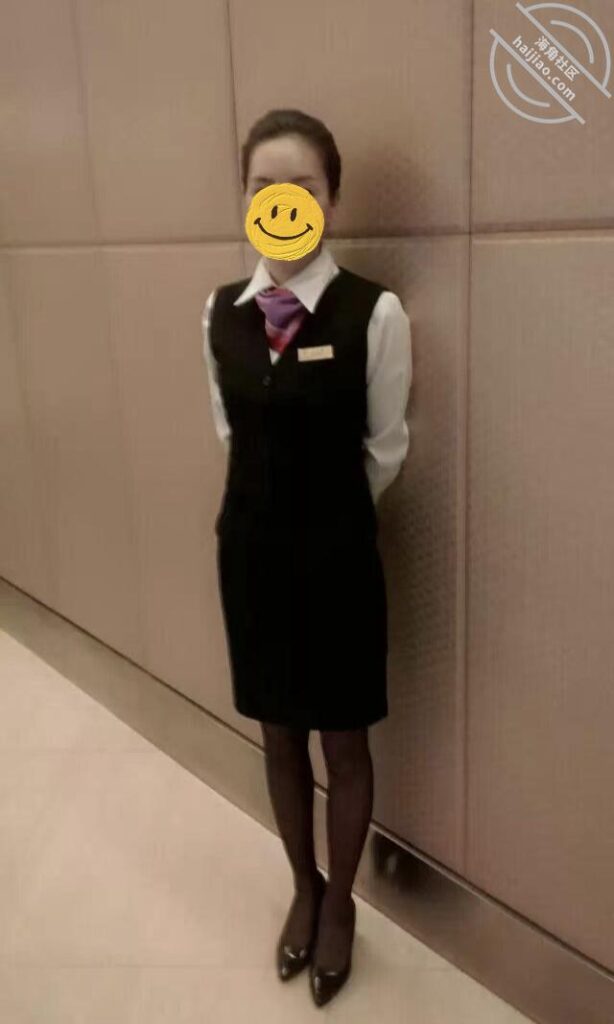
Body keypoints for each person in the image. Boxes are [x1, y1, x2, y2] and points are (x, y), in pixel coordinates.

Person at [201, 108, 412, 1007]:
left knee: (343, 736)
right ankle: (303, 885)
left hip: (337, 560)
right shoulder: (219, 312)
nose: (282, 202)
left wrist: (323, 519)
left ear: (331, 199)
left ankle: (342, 905)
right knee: (277, 731)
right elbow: (230, 430)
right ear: (245, 197)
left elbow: (386, 448)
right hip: (250, 556)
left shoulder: (375, 312)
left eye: (303, 187)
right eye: (264, 186)